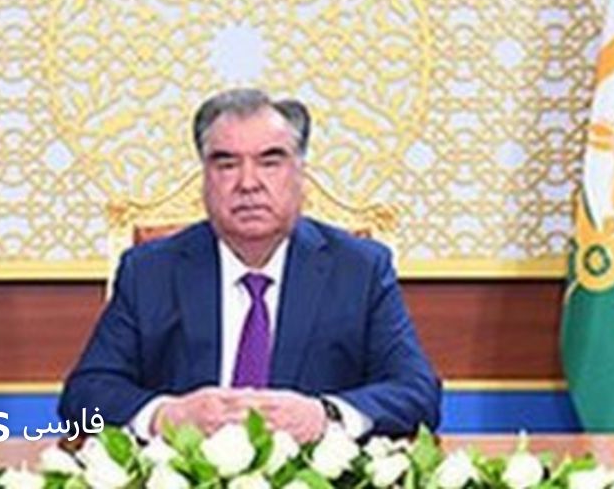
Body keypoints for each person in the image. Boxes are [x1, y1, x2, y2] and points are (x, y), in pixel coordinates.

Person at [58, 89, 441, 442]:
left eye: (270, 162)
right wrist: (165, 415)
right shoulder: (150, 271)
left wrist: (324, 416)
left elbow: (417, 392)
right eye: (226, 164)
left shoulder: (360, 268)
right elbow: (83, 399)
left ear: (301, 174)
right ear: (204, 178)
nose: (248, 183)